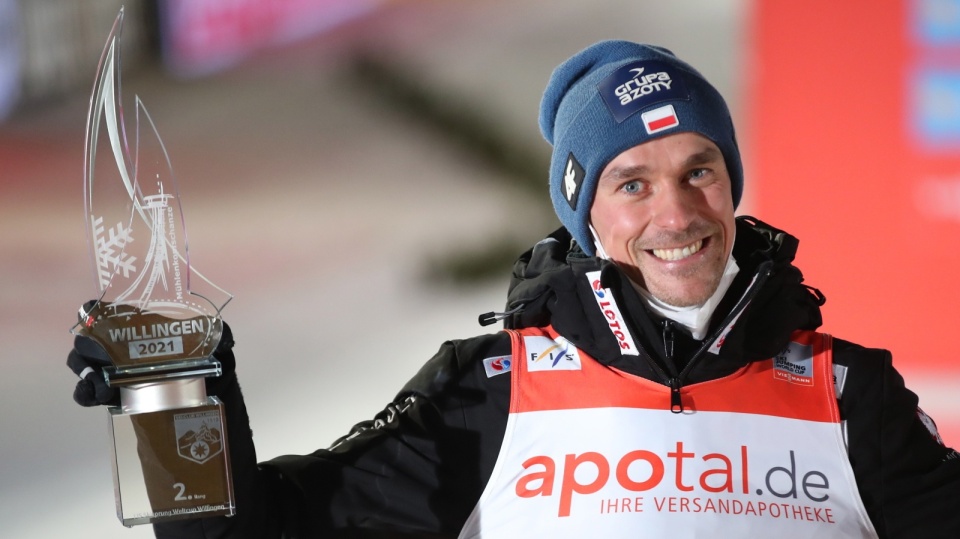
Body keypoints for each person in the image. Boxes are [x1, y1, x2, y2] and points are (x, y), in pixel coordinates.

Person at [68, 40, 960, 538]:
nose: (678, 213)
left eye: (701, 170)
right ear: (586, 217)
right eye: (633, 183)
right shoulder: (490, 389)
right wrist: (168, 396)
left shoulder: (848, 394)